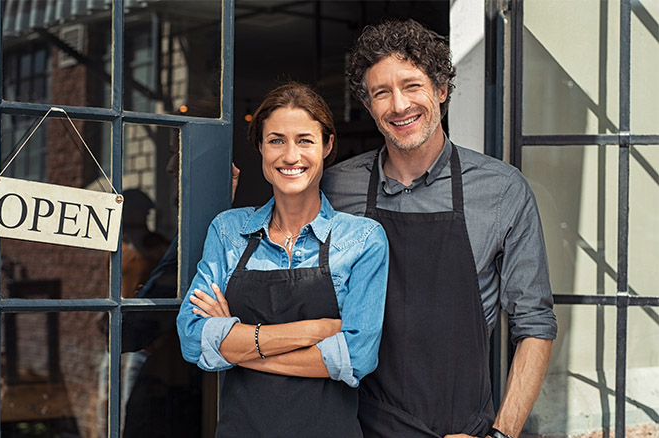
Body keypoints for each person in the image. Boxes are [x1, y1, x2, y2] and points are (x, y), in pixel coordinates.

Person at [321, 19, 557, 438]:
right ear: (369, 105)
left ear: (442, 90)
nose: (398, 106)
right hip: (354, 425)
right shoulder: (337, 187)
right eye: (381, 93)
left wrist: (500, 435)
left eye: (412, 86)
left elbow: (534, 325)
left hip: (457, 429)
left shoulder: (501, 190)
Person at [176, 82, 389, 437]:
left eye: (305, 140)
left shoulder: (363, 239)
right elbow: (193, 338)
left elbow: (357, 357)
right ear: (260, 147)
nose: (291, 156)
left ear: (327, 146)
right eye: (276, 140)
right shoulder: (229, 231)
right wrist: (314, 331)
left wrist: (236, 344)